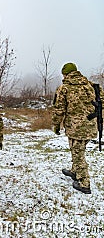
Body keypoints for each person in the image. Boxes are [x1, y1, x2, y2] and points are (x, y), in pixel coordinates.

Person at [52, 63, 103, 194]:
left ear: (65, 74)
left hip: (75, 128)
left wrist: (56, 125)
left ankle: (84, 183)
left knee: (78, 155)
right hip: (90, 126)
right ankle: (75, 171)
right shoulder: (90, 86)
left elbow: (59, 110)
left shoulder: (64, 88)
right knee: (76, 150)